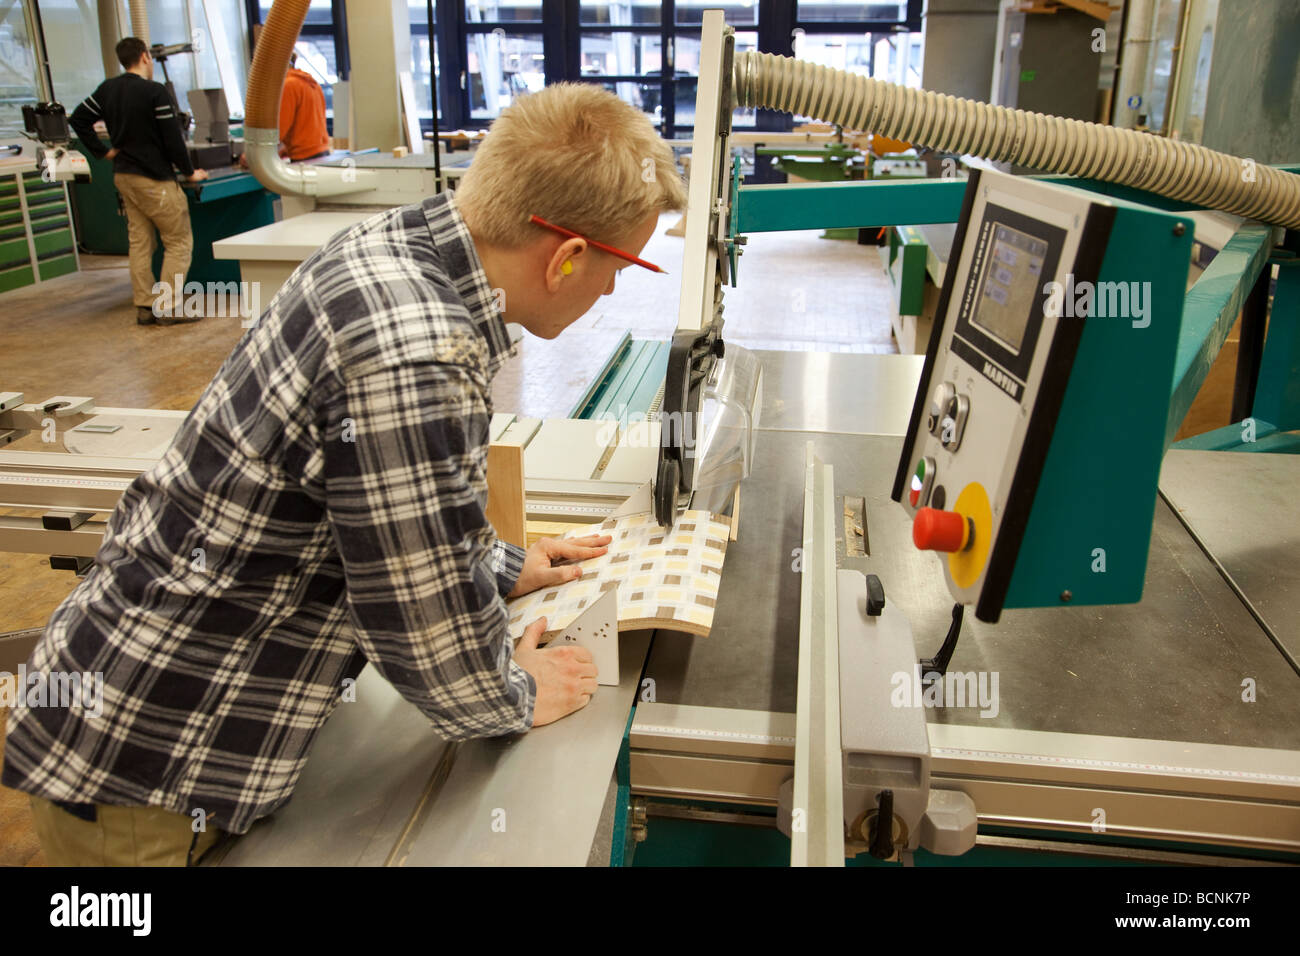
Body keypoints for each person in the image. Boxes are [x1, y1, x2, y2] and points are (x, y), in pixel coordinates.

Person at [4, 83, 687, 865]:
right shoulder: (418, 346)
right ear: (567, 256)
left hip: (140, 714)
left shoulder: (398, 247)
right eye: (623, 266)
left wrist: (504, 564)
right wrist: (517, 692)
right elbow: (418, 618)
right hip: (148, 772)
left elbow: (384, 513)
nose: (612, 290)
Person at [69, 37, 209, 327]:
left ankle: (145, 306)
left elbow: (79, 118)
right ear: (145, 57)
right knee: (178, 241)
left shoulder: (108, 89)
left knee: (140, 242)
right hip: (154, 179)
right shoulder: (154, 92)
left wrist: (103, 151)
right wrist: (189, 172)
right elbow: (173, 138)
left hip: (124, 177)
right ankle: (168, 307)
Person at [279, 53, 331, 161]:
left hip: (304, 158)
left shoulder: (288, 86)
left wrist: (253, 156)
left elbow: (278, 130)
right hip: (322, 153)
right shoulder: (310, 83)